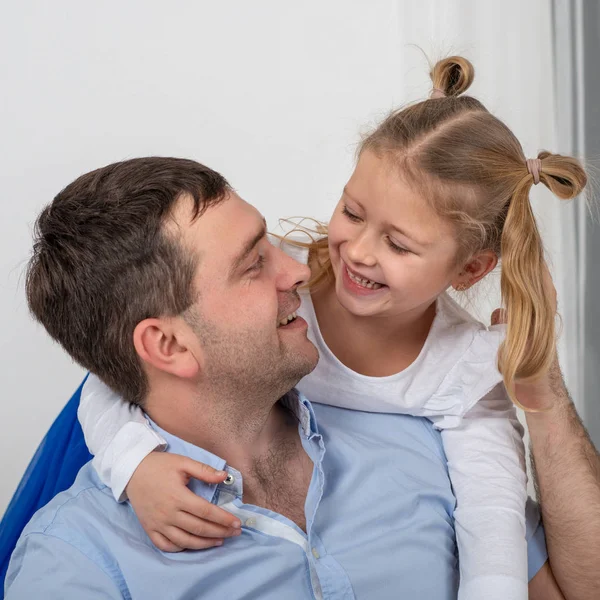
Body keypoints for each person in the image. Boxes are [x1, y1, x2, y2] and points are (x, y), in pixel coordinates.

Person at [73, 57, 593, 600]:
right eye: (352, 210)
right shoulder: (281, 283)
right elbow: (116, 373)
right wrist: (135, 465)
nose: (358, 252)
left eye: (398, 244)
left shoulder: (463, 370)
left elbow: (493, 522)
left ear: (470, 269)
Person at [4, 156, 555, 600]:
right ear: (168, 345)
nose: (299, 270)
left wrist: (544, 391)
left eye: (272, 244)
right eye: (253, 265)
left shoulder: (424, 438)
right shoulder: (78, 562)